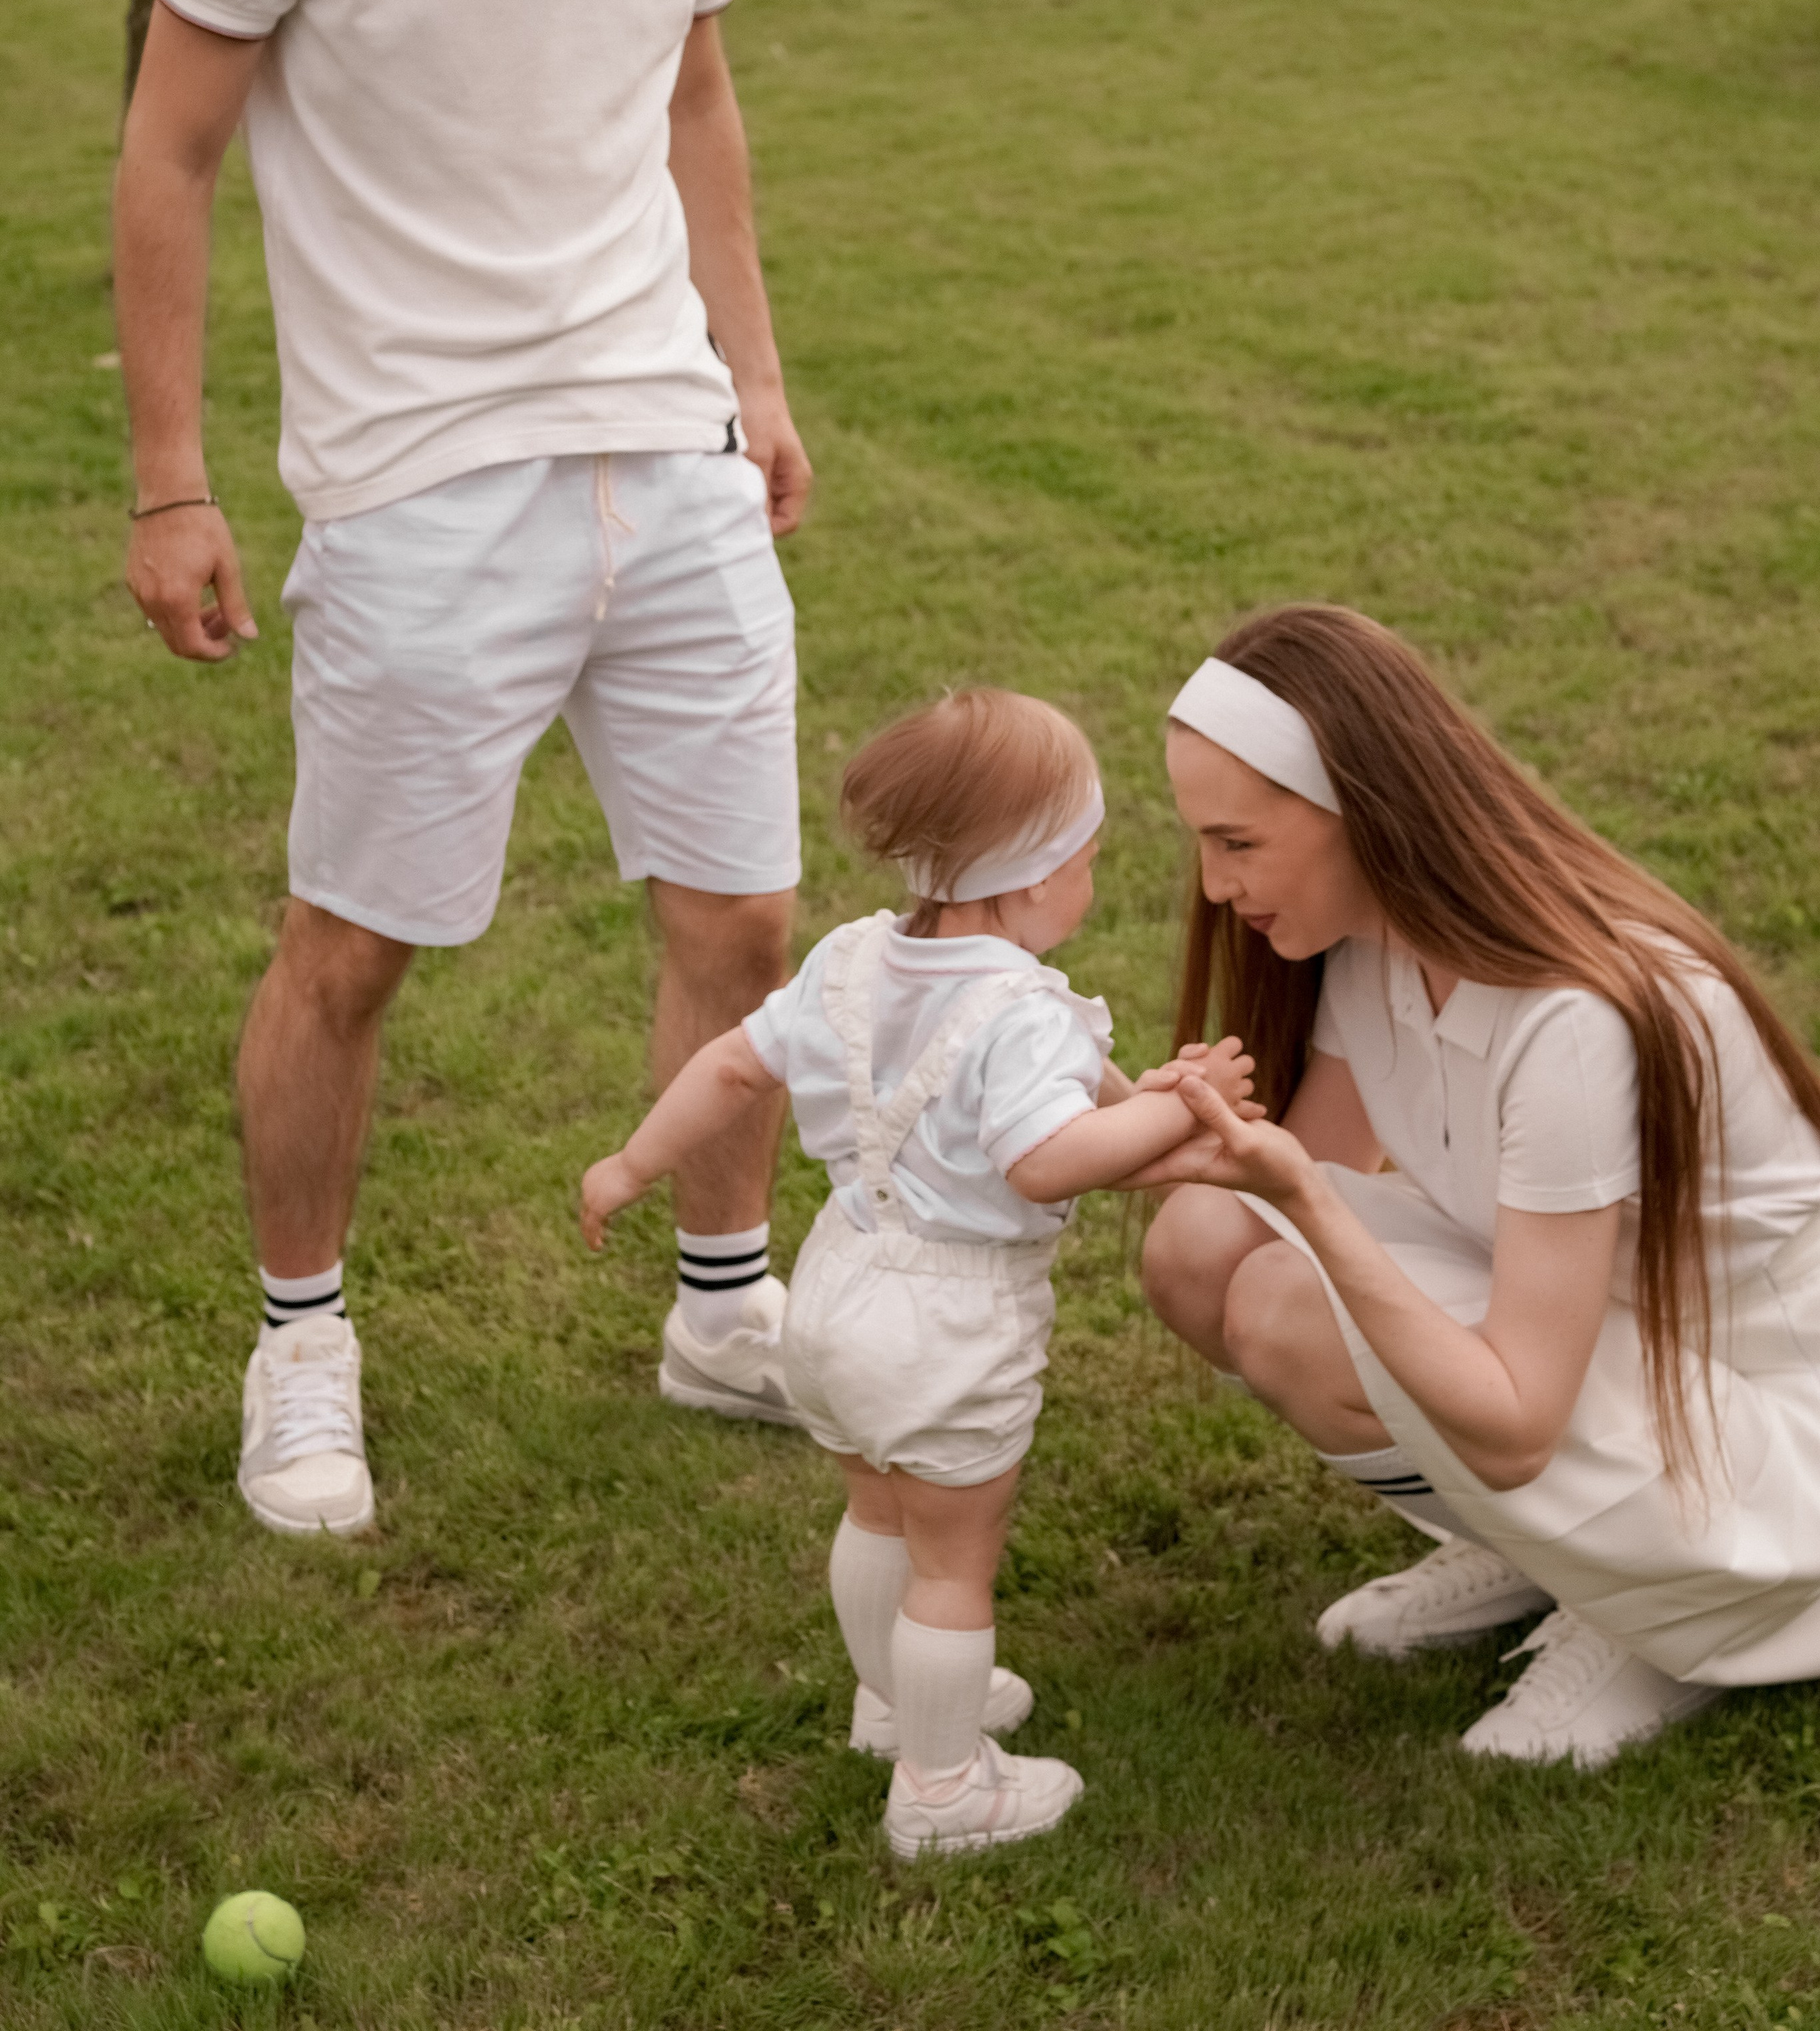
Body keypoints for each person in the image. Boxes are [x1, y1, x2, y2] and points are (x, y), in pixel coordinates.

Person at [112, 0, 813, 1540]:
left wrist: (755, 380)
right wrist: (170, 479)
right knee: (353, 947)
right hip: (422, 485)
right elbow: (171, 148)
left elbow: (693, 102)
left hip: (666, 450)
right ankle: (302, 1347)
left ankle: (721, 1304)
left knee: (749, 916)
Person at [579, 688, 1258, 1855]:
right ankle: (943, 1791)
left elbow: (735, 1069)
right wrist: (1179, 1121)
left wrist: (630, 1163)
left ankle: (893, 1704)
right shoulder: (1026, 1012)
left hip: (835, 1289)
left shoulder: (852, 960)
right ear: (1040, 878)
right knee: (954, 1559)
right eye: (1090, 860)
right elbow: (1048, 1163)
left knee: (875, 1514)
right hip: (948, 1321)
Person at [1140, 604, 1820, 1768]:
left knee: (1294, 1307)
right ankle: (1560, 1555)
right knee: (1202, 1246)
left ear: (1363, 808)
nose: (1211, 886)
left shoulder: (1573, 1019)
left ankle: (1653, 1609)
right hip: (1619, 1359)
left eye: (1239, 843)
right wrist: (1112, 1131)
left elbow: (1509, 1428)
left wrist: (1297, 1199)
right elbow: (1272, 1194)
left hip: (1773, 1454)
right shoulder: (1371, 949)